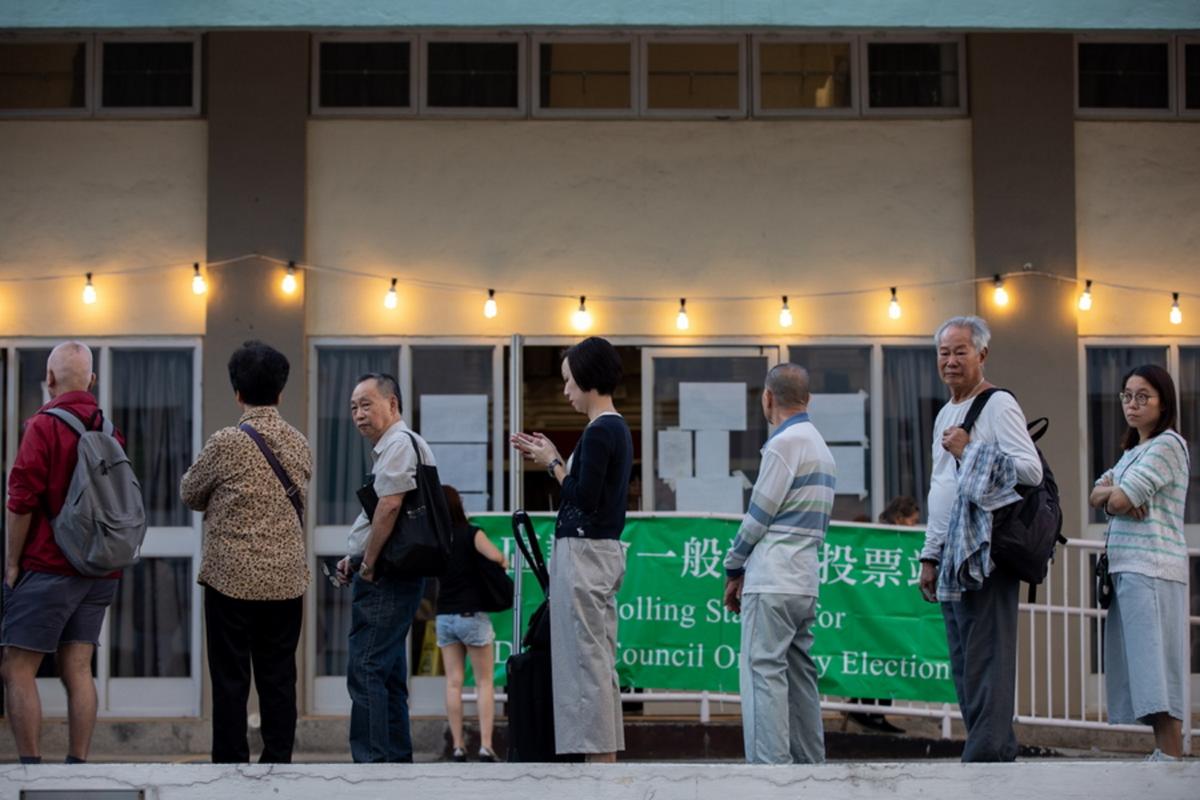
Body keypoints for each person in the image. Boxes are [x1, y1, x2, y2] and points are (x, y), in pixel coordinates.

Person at [179, 341, 311, 764]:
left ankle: (231, 765)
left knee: (230, 678)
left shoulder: (225, 442)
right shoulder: (298, 443)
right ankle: (278, 763)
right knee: (279, 677)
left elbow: (189, 492)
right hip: (286, 579)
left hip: (229, 579)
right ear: (281, 392)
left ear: (237, 392)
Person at [917, 316, 1042, 763]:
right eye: (944, 353)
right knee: (965, 660)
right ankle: (993, 750)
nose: (950, 361)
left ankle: (985, 756)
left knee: (987, 658)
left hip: (987, 549)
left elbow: (1031, 469)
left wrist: (969, 448)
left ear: (982, 355)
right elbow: (938, 486)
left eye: (960, 352)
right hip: (952, 550)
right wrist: (929, 555)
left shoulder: (998, 405)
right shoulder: (945, 413)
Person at [511, 336, 633, 763]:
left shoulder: (602, 430)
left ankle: (597, 763)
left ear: (586, 378)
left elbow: (583, 497)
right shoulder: (612, 428)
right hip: (598, 554)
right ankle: (601, 760)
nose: (564, 390)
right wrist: (556, 459)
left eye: (568, 381)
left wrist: (552, 461)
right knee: (595, 659)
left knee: (585, 662)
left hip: (585, 555)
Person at [1, 342, 122, 764]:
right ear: (92, 381)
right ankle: (77, 768)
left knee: (17, 666)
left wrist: (12, 563)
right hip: (100, 570)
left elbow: (21, 500)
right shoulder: (109, 430)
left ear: (49, 380)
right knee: (78, 667)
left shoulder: (43, 425)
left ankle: (31, 769)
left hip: (49, 566)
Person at [723, 363, 835, 765]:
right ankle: (810, 769)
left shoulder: (784, 444)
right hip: (805, 581)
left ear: (767, 397)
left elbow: (758, 516)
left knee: (762, 675)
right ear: (808, 399)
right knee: (800, 677)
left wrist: (733, 567)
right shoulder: (821, 446)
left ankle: (770, 774)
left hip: (772, 577)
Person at [1088, 365, 1189, 762]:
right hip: (1129, 569)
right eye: (1127, 395)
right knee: (1141, 670)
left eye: (1143, 396)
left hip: (1153, 569)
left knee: (1157, 671)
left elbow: (1114, 501)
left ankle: (1171, 759)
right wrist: (1116, 493)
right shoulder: (1133, 451)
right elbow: (1098, 494)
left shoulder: (1168, 445)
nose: (1132, 404)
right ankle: (1163, 755)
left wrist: (1116, 495)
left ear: (1163, 402)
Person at [334, 373, 433, 763]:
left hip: (389, 575)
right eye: (354, 407)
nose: (358, 414)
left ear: (392, 404)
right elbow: (377, 513)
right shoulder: (398, 446)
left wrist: (369, 564)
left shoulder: (397, 444)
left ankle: (374, 767)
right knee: (388, 672)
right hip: (392, 570)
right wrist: (355, 555)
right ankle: (394, 762)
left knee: (367, 668)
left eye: (367, 404)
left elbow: (390, 507)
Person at [436, 485, 509, 763]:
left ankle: (457, 746)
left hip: (444, 616)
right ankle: (486, 745)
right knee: (484, 682)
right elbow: (496, 556)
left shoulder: (438, 538)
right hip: (472, 615)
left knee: (453, 683)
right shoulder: (471, 533)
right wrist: (501, 562)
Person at [847, 495, 921, 735]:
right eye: (913, 521)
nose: (915, 527)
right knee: (878, 659)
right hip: (879, 610)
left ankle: (873, 713)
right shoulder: (885, 540)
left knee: (885, 660)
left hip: (886, 611)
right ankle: (865, 710)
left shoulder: (889, 539)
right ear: (899, 519)